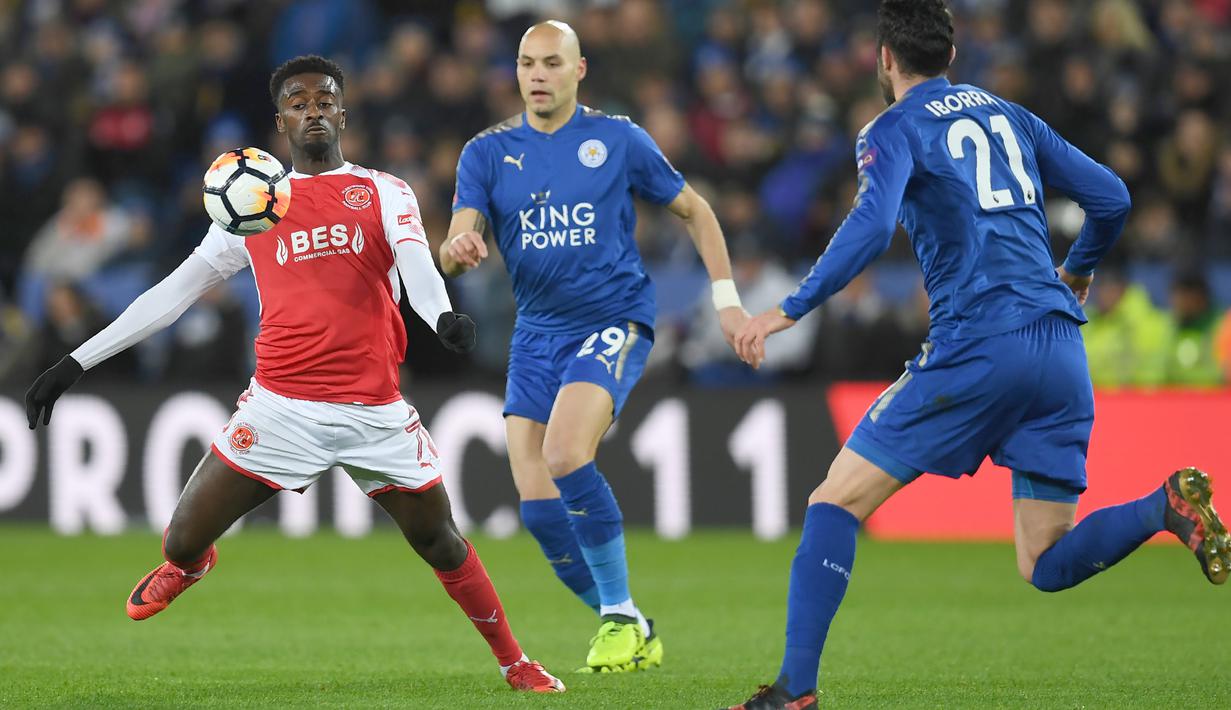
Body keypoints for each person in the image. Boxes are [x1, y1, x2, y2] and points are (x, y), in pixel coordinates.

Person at [725, 3, 1230, 708]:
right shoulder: (1009, 115)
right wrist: (1078, 271)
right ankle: (1162, 506)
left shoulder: (891, 127)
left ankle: (794, 692)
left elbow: (871, 229)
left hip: (978, 341)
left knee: (832, 501)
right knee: (1044, 562)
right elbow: (1111, 198)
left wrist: (788, 308)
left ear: (883, 60)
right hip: (1058, 348)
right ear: (951, 55)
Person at [24, 55, 564, 695]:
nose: (314, 109)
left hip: (374, 411)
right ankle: (191, 567)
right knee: (179, 539)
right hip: (279, 408)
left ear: (344, 112)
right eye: (299, 102)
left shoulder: (382, 192)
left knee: (441, 543)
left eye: (325, 99)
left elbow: (418, 266)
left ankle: (515, 662)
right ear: (281, 120)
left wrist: (443, 316)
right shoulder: (250, 205)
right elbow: (169, 296)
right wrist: (75, 361)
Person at [441, 21, 749, 672]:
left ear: (578, 71)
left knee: (562, 452)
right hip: (537, 332)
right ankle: (630, 619)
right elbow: (456, 236)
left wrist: (725, 302)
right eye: (527, 63)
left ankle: (614, 616)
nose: (537, 75)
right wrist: (458, 250)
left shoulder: (617, 139)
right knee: (537, 509)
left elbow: (696, 210)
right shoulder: (487, 152)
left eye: (552, 63)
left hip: (614, 318)